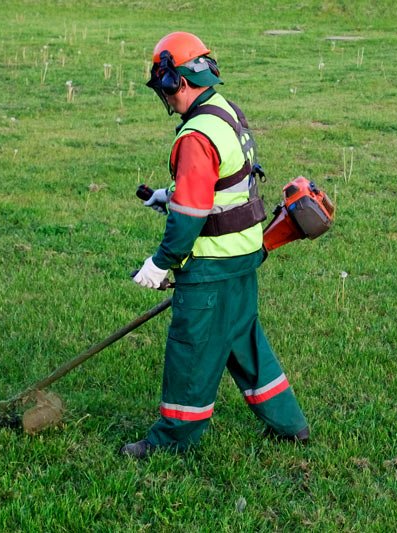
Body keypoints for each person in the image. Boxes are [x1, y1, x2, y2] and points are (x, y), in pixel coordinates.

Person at [122, 31, 309, 459]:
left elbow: (191, 216)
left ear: (178, 82)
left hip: (210, 268)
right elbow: (223, 186)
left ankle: (172, 440)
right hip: (245, 255)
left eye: (165, 90)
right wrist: (169, 195)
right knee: (245, 345)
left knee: (192, 351)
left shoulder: (193, 136)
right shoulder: (225, 112)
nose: (166, 99)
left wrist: (160, 262)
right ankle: (290, 424)